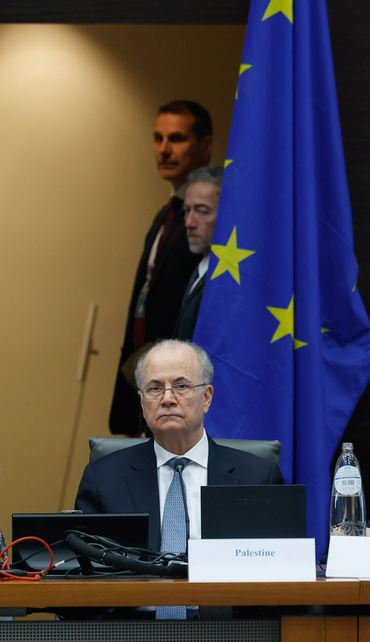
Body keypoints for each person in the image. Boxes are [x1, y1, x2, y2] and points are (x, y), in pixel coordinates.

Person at [78, 339, 284, 553]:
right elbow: (84, 569)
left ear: (206, 398)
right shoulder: (103, 480)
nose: (167, 398)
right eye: (155, 388)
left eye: (181, 386)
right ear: (142, 402)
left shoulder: (259, 478)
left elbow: (282, 565)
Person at [110, 101, 214, 435]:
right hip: (148, 384)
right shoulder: (164, 217)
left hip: (179, 390)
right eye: (158, 138)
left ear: (205, 146)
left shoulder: (209, 227)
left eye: (177, 139)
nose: (164, 149)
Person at [173, 166, 223, 340]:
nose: (189, 223)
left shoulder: (226, 280)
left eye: (202, 211)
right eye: (187, 210)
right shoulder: (200, 269)